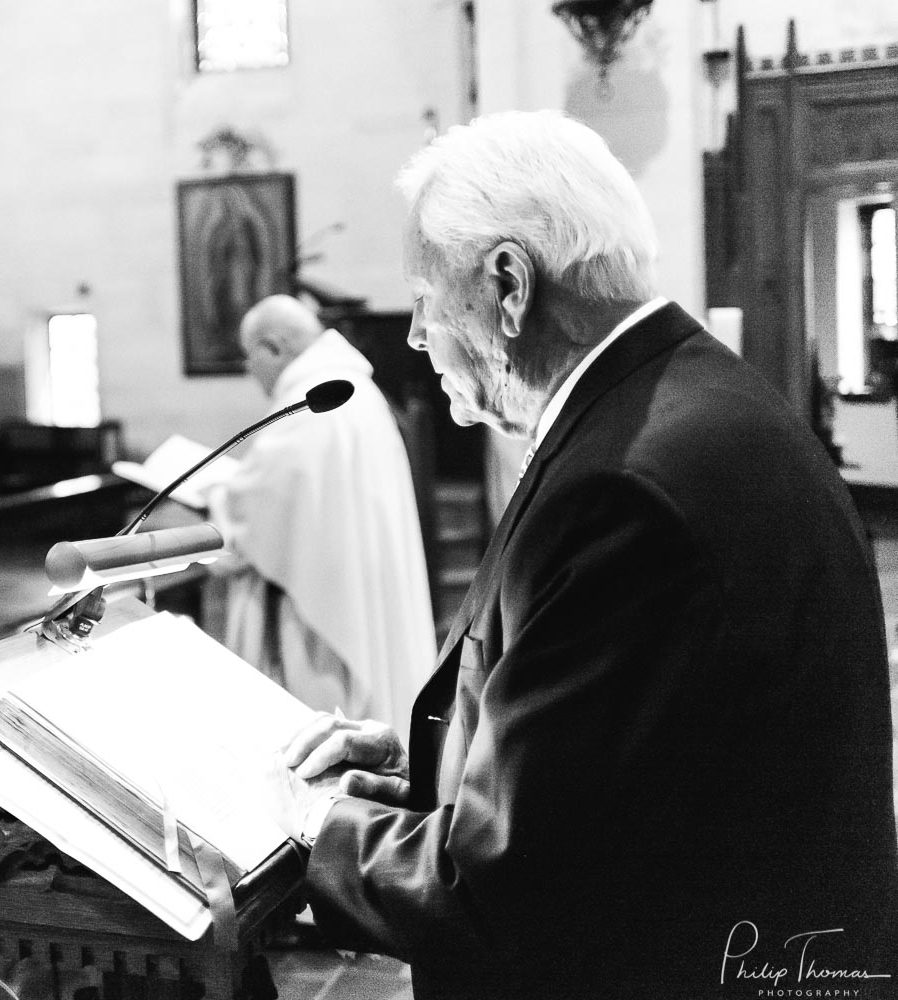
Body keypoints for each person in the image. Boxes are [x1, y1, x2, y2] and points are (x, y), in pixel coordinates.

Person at [271, 111, 897, 999]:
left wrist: (311, 825)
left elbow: (514, 887)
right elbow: (638, 771)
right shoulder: (694, 405)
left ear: (508, 284)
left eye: (422, 295)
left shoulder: (623, 491)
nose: (414, 336)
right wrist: (429, 770)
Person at [208, 294, 435, 743]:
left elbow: (261, 504)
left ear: (274, 346)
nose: (248, 370)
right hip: (356, 581)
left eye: (248, 356)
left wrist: (218, 494)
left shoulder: (317, 403)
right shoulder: (353, 390)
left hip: (320, 615)